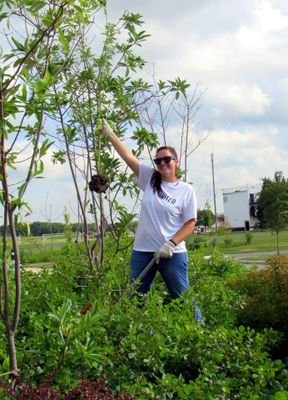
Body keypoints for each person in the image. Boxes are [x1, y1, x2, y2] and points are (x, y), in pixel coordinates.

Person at [101, 120, 197, 300]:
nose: (162, 163)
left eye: (167, 159)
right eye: (158, 160)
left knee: (182, 298)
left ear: (176, 161)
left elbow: (190, 223)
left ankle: (199, 327)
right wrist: (110, 134)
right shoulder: (150, 179)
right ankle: (135, 329)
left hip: (171, 253)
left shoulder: (185, 190)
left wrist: (171, 243)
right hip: (142, 251)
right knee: (135, 297)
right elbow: (128, 156)